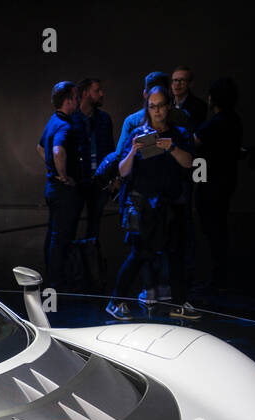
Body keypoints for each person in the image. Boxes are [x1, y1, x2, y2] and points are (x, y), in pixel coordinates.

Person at [98, 86, 195, 319]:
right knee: (140, 253)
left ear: (168, 106)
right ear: (147, 108)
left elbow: (189, 162)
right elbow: (123, 170)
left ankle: (179, 303)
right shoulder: (140, 134)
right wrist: (132, 151)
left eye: (161, 105)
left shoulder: (178, 133)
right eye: (153, 106)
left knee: (175, 254)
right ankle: (116, 301)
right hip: (143, 205)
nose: (157, 111)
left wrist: (170, 147)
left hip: (171, 203)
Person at [194, 77, 243, 291]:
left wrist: (197, 179)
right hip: (227, 181)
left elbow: (195, 146)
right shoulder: (236, 120)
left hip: (210, 182)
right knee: (220, 230)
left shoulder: (213, 124)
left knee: (212, 231)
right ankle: (220, 277)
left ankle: (215, 280)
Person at [38, 81, 84, 290]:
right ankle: (56, 282)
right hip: (62, 191)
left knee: (53, 233)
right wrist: (63, 176)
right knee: (61, 236)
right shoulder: (64, 125)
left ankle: (52, 277)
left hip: (52, 188)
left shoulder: (53, 121)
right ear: (68, 101)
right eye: (76, 97)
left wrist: (51, 170)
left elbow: (40, 147)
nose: (78, 100)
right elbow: (57, 150)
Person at [75, 77, 116, 245]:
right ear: (85, 94)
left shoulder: (104, 119)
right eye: (97, 90)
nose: (101, 94)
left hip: (99, 182)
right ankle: (71, 266)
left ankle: (91, 263)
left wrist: (112, 178)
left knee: (94, 226)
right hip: (78, 181)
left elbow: (110, 150)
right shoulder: (72, 117)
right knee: (70, 225)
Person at [171, 66, 209, 131]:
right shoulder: (166, 103)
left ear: (190, 84)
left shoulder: (199, 106)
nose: (177, 84)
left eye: (182, 80)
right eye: (175, 80)